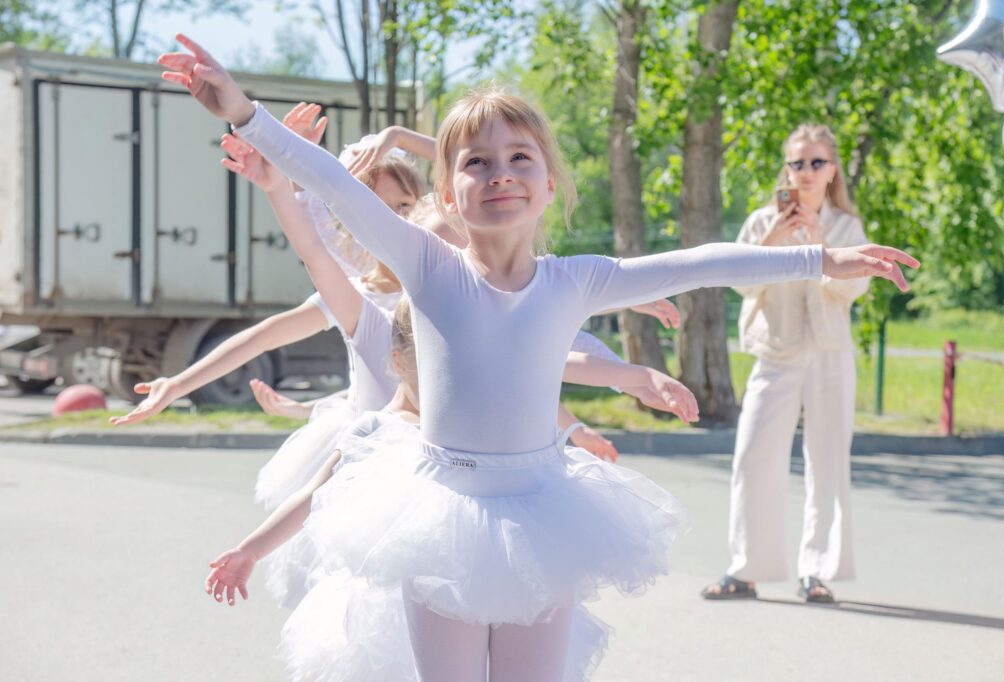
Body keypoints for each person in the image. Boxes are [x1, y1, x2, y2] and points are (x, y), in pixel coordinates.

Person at [160, 33, 917, 681]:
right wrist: (243, 113)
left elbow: (699, 264)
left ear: (549, 185)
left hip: (543, 516)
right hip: (437, 517)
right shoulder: (425, 266)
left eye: (519, 157)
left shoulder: (574, 281)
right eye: (476, 162)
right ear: (447, 193)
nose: (500, 172)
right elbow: (330, 181)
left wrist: (820, 259)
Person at [702, 124, 872, 604]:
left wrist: (820, 246)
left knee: (828, 460)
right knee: (754, 456)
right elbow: (740, 282)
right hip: (775, 353)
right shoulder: (761, 221)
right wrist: (775, 236)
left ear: (832, 170)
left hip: (829, 354)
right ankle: (746, 569)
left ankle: (816, 571)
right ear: (787, 169)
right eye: (797, 163)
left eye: (817, 162)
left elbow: (855, 287)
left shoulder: (846, 227)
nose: (806, 172)